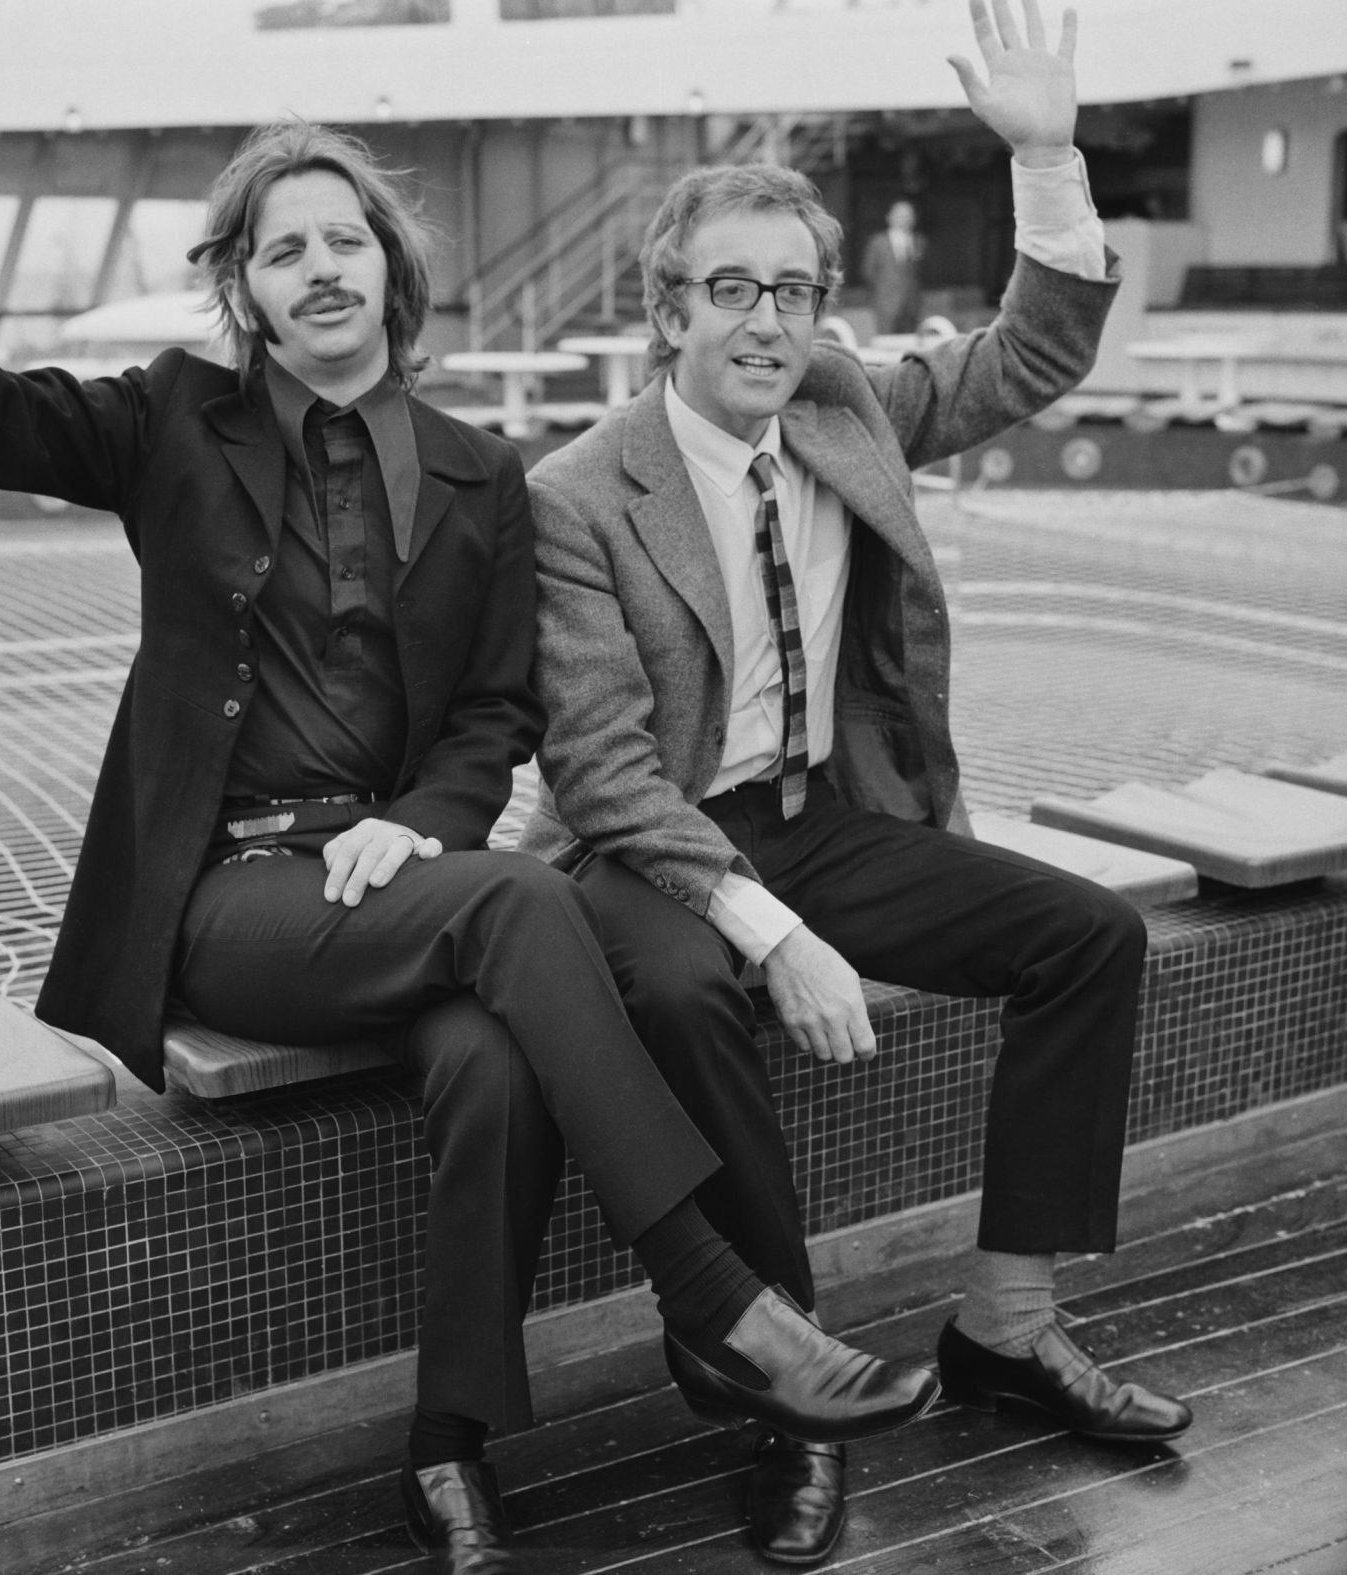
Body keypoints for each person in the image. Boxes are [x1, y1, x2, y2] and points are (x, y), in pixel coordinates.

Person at [0, 10, 945, 1571]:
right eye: (284, 250)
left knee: (492, 1063)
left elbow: (490, 718)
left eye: (345, 236)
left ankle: (450, 1453)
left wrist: (411, 824)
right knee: (525, 893)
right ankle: (719, 1294)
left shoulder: (487, 475)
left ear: (390, 271)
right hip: (232, 895)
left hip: (400, 889)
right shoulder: (166, 422)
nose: (321, 265)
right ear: (250, 291)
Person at [521, 0, 1193, 1564]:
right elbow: (605, 772)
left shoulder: (848, 402)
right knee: (692, 995)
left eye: (796, 289)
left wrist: (1046, 159)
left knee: (1086, 934)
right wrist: (772, 929)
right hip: (660, 846)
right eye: (733, 288)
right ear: (666, 313)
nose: (770, 319)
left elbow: (1033, 349)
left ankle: (1007, 1325)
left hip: (830, 812)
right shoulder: (575, 495)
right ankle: (790, 1391)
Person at [860, 198, 925, 336]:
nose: (904, 219)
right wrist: (883, 293)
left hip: (911, 305)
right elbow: (868, 272)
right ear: (889, 217)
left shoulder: (919, 242)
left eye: (908, 216)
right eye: (900, 215)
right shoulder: (877, 242)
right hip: (885, 303)